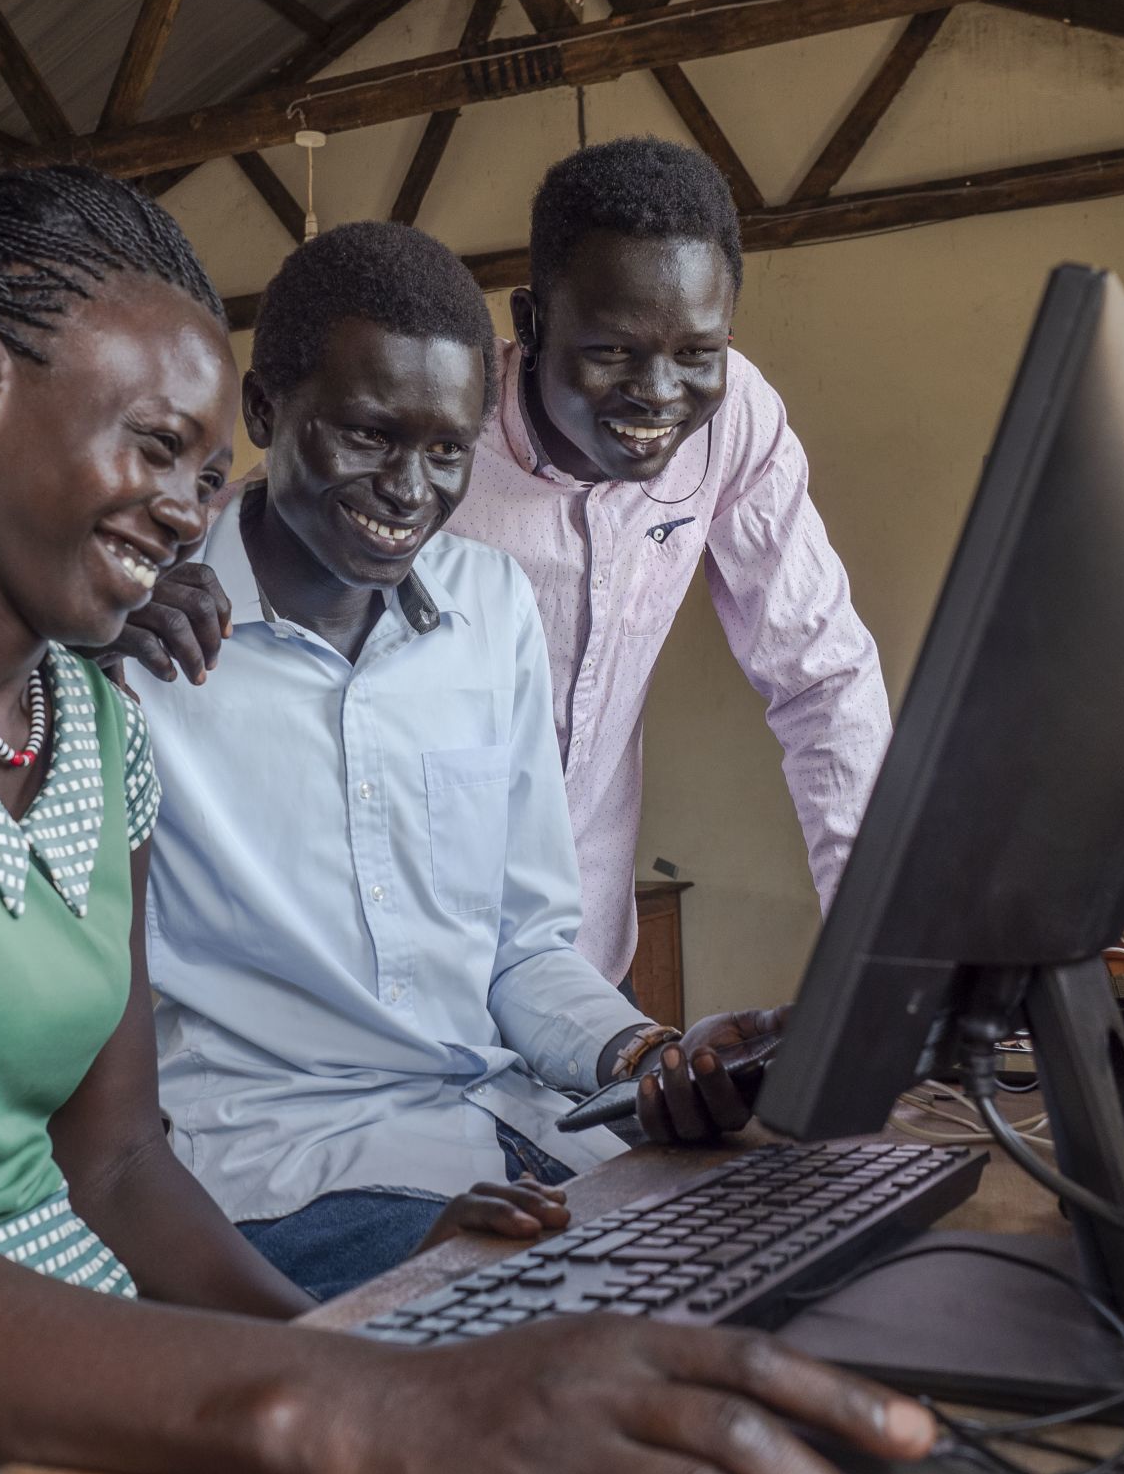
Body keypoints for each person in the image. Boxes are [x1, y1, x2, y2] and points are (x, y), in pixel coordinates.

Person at [0, 167, 933, 1474]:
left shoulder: (88, 727)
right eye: (155, 448)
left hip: (85, 1335)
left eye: (200, 468)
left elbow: (118, 1168)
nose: (187, 509)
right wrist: (332, 1404)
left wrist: (366, 1368)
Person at [119, 221, 790, 1305]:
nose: (410, 491)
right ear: (263, 412)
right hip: (282, 1171)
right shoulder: (138, 631)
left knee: (778, 1253)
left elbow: (521, 949)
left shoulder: (491, 605)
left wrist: (644, 1058)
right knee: (558, 1319)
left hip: (512, 1127)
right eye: (368, 437)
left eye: (446, 450)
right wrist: (87, 627)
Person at [470, 136, 890, 987]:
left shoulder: (735, 421)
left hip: (583, 958)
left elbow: (823, 677)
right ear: (531, 324)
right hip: (419, 965)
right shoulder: (440, 430)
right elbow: (268, 513)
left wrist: (882, 950)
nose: (659, 393)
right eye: (611, 351)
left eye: (697, 353)